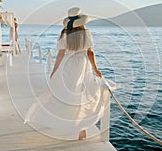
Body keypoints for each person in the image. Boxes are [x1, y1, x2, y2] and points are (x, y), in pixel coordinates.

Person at [25, 7, 112, 141]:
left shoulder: (65, 34)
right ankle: (82, 129)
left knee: (65, 94)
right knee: (82, 95)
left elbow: (60, 54)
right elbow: (90, 52)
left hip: (67, 64)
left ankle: (63, 121)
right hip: (82, 66)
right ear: (81, 21)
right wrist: (96, 69)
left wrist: (55, 71)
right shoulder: (86, 34)